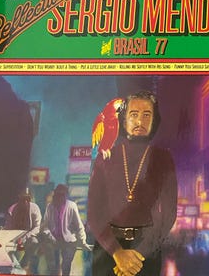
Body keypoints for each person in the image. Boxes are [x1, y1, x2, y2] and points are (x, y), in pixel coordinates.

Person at [87, 90, 177, 276]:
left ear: (154, 120)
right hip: (108, 252)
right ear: (123, 120)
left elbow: (168, 214)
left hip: (147, 252)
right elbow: (94, 213)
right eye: (133, 115)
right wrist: (118, 253)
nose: (140, 121)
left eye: (147, 115)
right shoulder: (106, 156)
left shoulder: (163, 158)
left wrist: (138, 254)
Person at [40, 183, 89, 276]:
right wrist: (51, 237)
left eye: (62, 195)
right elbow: (45, 226)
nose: (59, 197)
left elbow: (79, 226)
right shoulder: (50, 207)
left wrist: (83, 241)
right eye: (58, 194)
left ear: (65, 195)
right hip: (54, 240)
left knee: (66, 265)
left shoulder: (71, 206)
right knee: (52, 265)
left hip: (69, 241)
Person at [5, 189, 41, 273]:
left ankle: (23, 264)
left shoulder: (34, 208)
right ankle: (12, 266)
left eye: (27, 199)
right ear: (19, 199)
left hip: (28, 236)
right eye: (23, 199)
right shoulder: (12, 209)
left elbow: (37, 227)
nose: (25, 202)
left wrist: (25, 237)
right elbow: (8, 227)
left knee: (34, 242)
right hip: (14, 236)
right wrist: (13, 238)